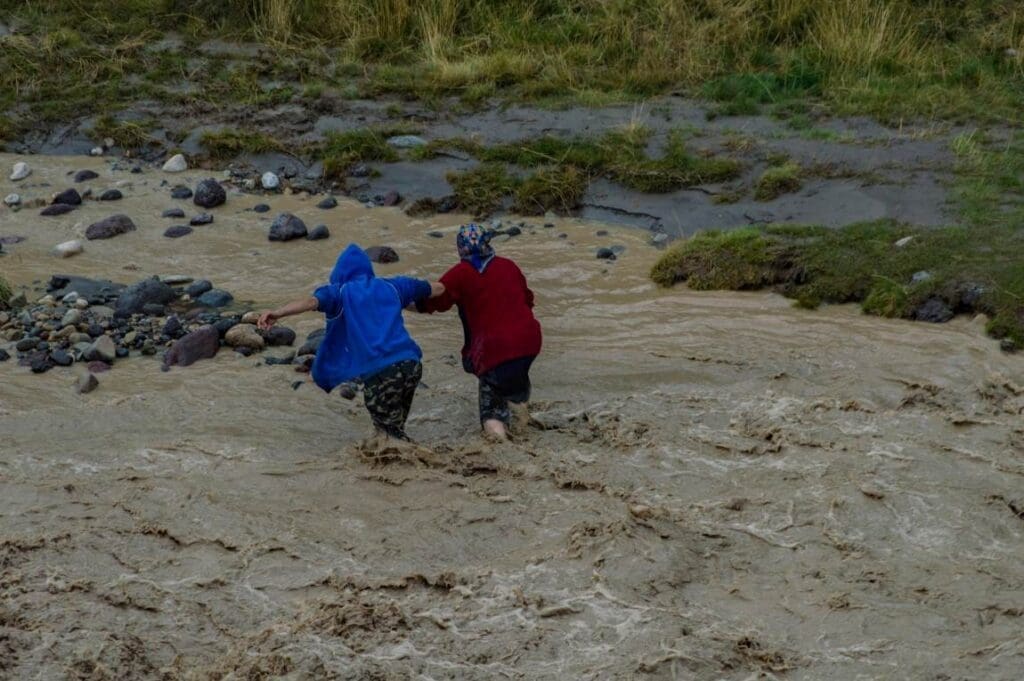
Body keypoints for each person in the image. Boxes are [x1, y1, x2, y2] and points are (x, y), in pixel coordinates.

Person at [258, 243, 443, 441]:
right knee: (394, 428)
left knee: (387, 436)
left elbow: (310, 302)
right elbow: (438, 288)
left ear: (339, 272)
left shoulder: (339, 293)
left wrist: (277, 312)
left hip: (382, 372)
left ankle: (420, 463)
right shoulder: (394, 286)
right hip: (411, 365)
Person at [416, 224, 542, 441]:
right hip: (529, 341)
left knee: (491, 410)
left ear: (460, 248)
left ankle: (504, 453)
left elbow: (432, 302)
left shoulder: (460, 273)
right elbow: (528, 299)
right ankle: (523, 428)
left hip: (494, 350)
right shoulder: (508, 266)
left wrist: (396, 300)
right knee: (515, 387)